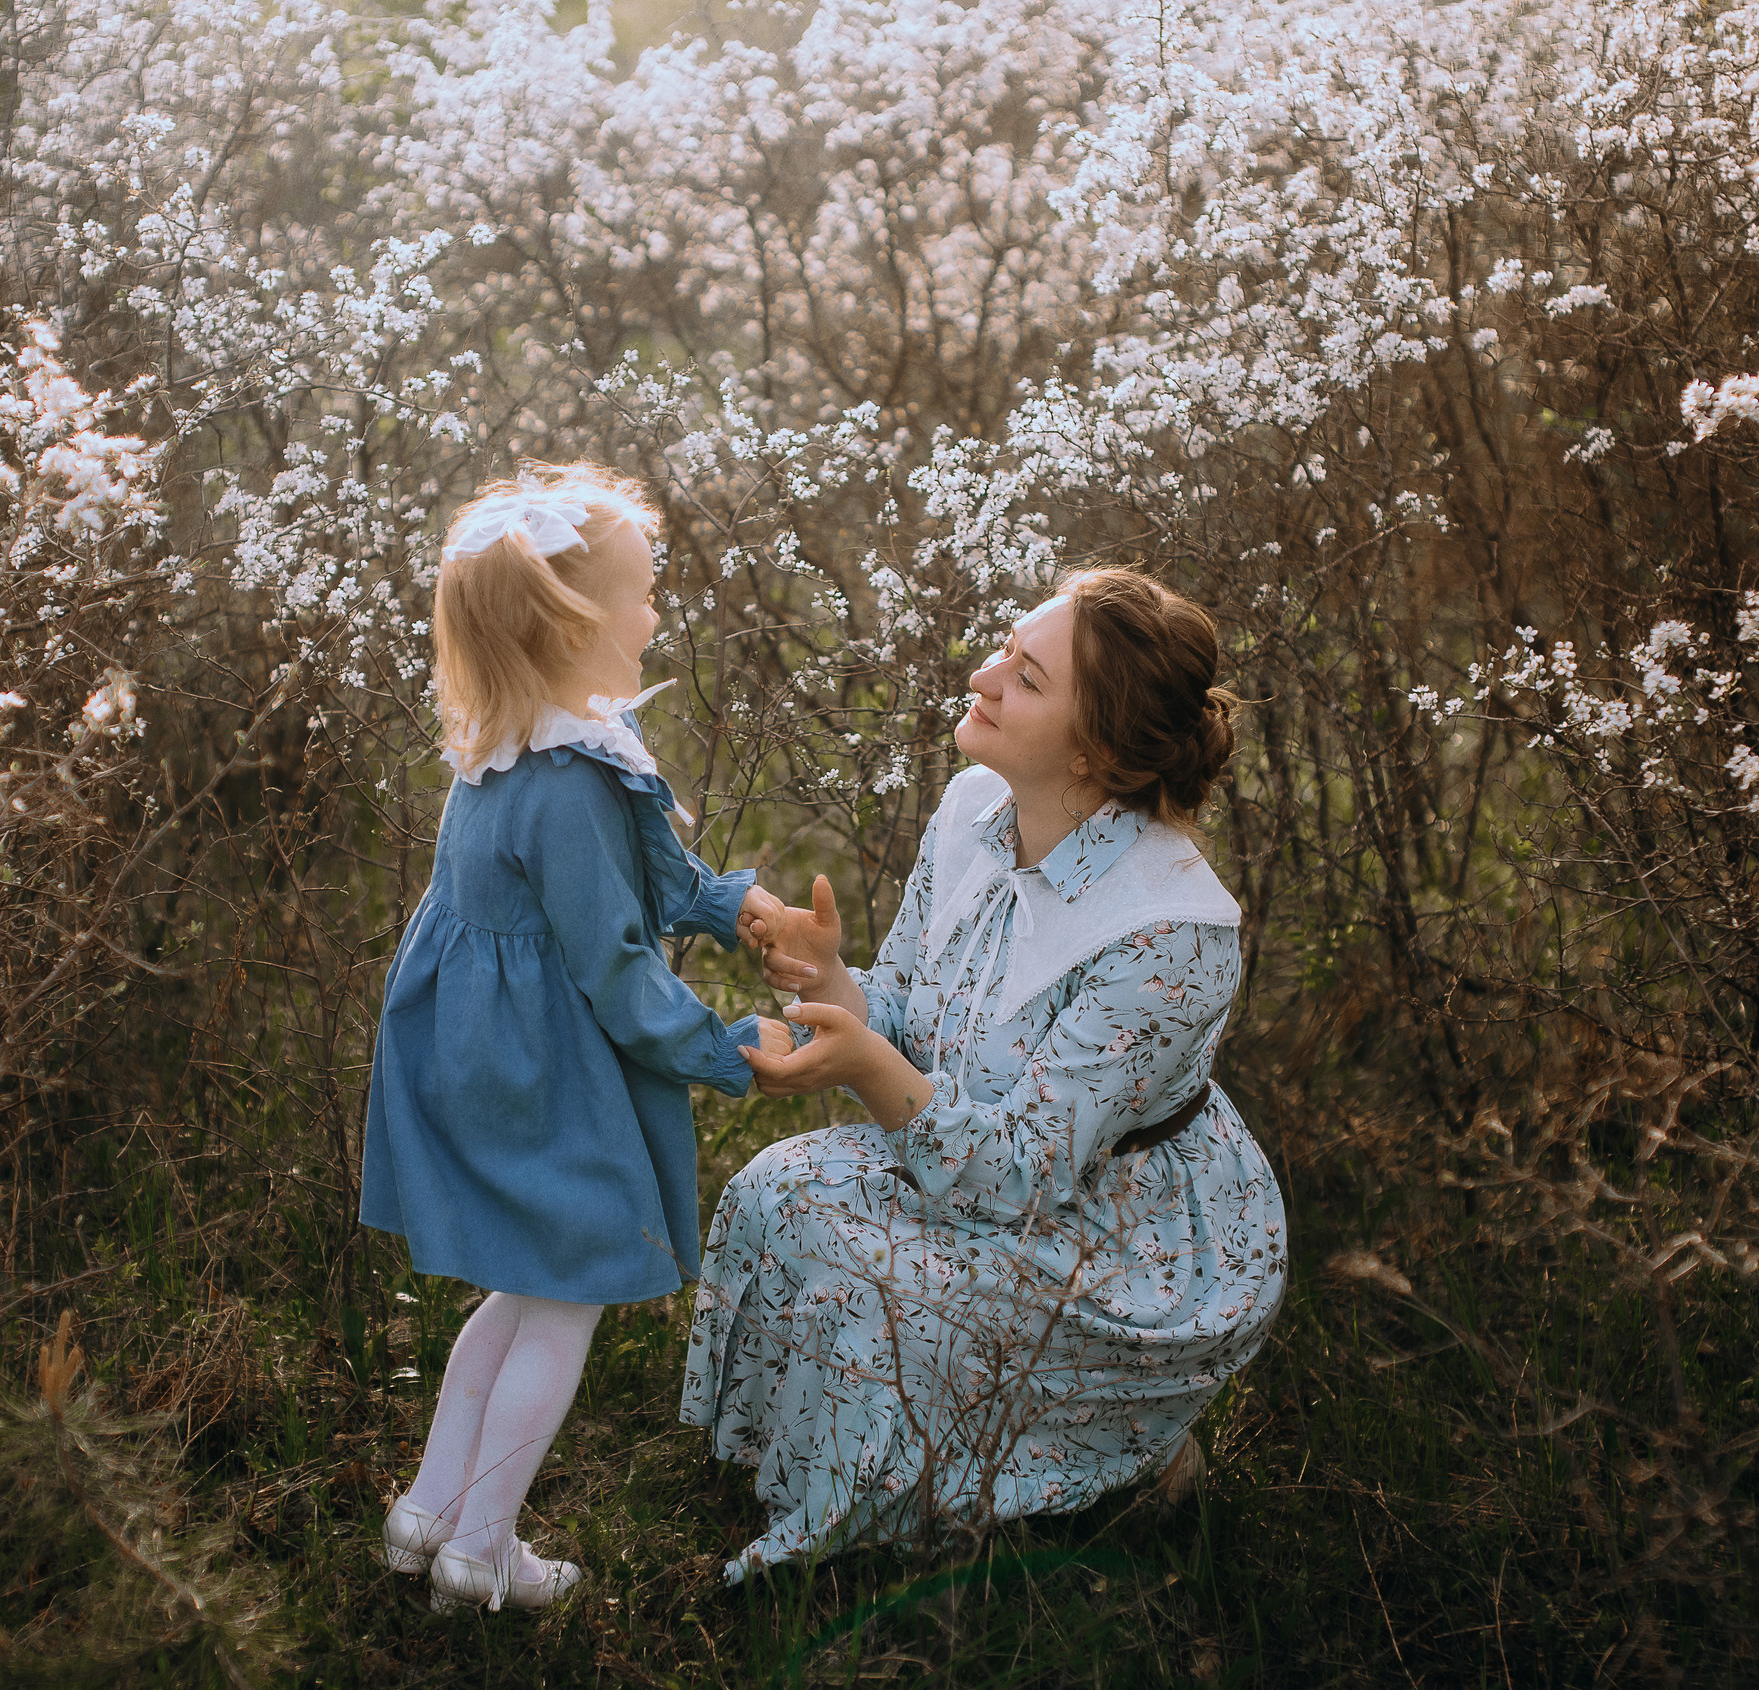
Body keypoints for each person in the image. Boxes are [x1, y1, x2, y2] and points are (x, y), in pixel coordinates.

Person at [682, 565, 1287, 1584]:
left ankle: (1111, 1456)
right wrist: (830, 975)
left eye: (1026, 676)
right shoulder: (974, 806)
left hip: (1118, 1231)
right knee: (775, 1194)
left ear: (1092, 751)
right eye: (1005, 650)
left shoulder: (1169, 929)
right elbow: (917, 1018)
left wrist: (866, 1067)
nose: (983, 675)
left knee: (887, 1288)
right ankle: (798, 1470)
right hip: (984, 1157)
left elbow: (1016, 1177)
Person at [360, 464, 791, 1613]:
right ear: (575, 623)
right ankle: (483, 1543)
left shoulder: (508, 757)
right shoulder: (565, 784)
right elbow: (610, 967)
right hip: (542, 1072)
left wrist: (731, 906)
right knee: (566, 1302)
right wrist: (721, 1047)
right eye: (644, 593)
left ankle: (430, 1507)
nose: (657, 615)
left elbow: (647, 880)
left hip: (477, 1060)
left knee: (513, 1292)